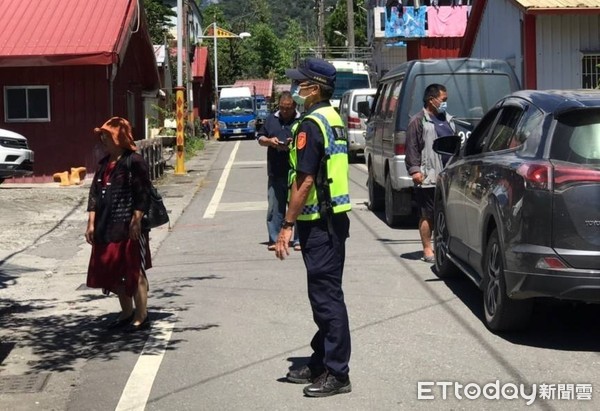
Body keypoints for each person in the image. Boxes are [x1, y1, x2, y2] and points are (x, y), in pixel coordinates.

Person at [275, 58, 352, 398]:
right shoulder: (333, 118)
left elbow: (304, 181)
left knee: (326, 298)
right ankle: (321, 359)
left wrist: (286, 225)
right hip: (333, 218)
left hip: (319, 222)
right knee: (324, 295)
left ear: (314, 88)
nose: (297, 88)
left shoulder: (310, 124)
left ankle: (337, 372)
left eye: (301, 83)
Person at [85, 117, 152, 332]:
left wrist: (136, 220)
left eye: (106, 135)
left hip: (129, 227)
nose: (103, 139)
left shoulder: (134, 161)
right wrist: (91, 224)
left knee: (135, 271)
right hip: (106, 228)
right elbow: (94, 195)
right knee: (106, 274)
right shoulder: (104, 164)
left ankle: (141, 316)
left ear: (118, 137)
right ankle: (126, 312)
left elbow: (143, 194)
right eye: (102, 135)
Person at [405, 83, 456, 263]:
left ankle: (444, 247)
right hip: (428, 176)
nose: (445, 103)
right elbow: (411, 148)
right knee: (427, 214)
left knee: (445, 214)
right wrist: (415, 170)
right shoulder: (418, 121)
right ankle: (427, 249)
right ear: (431, 100)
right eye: (443, 100)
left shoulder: (448, 119)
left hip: (447, 176)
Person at [256, 91, 301, 251]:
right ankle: (275, 239)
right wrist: (270, 141)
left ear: (294, 106)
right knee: (275, 207)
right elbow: (260, 138)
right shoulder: (271, 119)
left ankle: (298, 240)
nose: (285, 111)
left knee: (297, 205)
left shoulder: (301, 121)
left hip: (296, 172)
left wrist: (291, 143)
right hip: (275, 170)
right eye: (282, 108)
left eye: (288, 108)